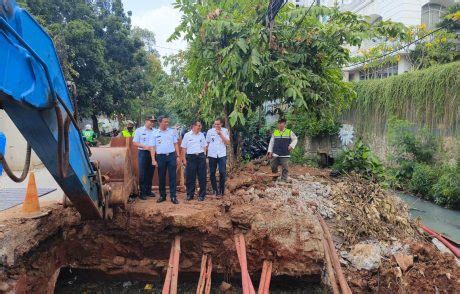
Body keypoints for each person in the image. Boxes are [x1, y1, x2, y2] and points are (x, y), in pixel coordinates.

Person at [150, 115, 181, 204]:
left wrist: (178, 156)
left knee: (172, 176)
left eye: (167, 122)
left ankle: (173, 196)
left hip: (171, 156)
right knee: (161, 177)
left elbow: (175, 144)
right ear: (160, 122)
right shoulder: (155, 133)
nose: (167, 123)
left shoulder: (171, 132)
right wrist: (153, 159)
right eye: (165, 122)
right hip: (160, 157)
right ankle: (162, 196)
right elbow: (152, 147)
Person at [181, 120, 207, 201]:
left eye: (200, 126)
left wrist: (204, 156)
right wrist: (184, 159)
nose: (200, 127)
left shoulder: (201, 135)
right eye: (199, 126)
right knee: (190, 177)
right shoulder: (187, 135)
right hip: (191, 157)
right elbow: (184, 148)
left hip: (200, 157)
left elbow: (204, 146)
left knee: (202, 176)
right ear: (193, 126)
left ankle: (202, 195)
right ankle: (190, 195)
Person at [133, 116, 156, 200]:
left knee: (150, 172)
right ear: (146, 121)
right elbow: (135, 142)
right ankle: (142, 193)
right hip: (143, 153)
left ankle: (148, 191)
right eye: (151, 121)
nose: (152, 123)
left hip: (153, 153)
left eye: (154, 122)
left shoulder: (155, 131)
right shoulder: (139, 130)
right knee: (142, 173)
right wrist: (145, 146)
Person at [206, 118, 230, 196]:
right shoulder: (210, 131)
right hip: (212, 154)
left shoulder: (225, 131)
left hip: (221, 154)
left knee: (222, 172)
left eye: (218, 124)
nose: (216, 125)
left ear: (221, 124)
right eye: (215, 124)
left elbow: (227, 142)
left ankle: (221, 190)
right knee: (212, 173)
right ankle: (215, 190)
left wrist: (220, 134)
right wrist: (206, 154)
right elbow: (207, 143)